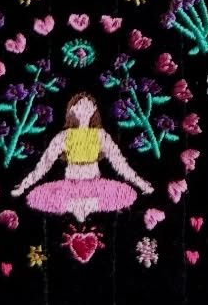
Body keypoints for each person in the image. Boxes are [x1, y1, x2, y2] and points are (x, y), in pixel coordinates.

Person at [12, 93, 153, 222]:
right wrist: (23, 186)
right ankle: (77, 208)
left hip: (95, 184)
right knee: (42, 198)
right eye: (80, 104)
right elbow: (44, 165)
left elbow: (120, 163)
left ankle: (85, 207)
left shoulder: (100, 135)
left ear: (94, 109)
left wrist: (141, 183)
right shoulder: (64, 136)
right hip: (70, 184)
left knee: (123, 195)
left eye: (89, 104)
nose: (85, 107)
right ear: (72, 110)